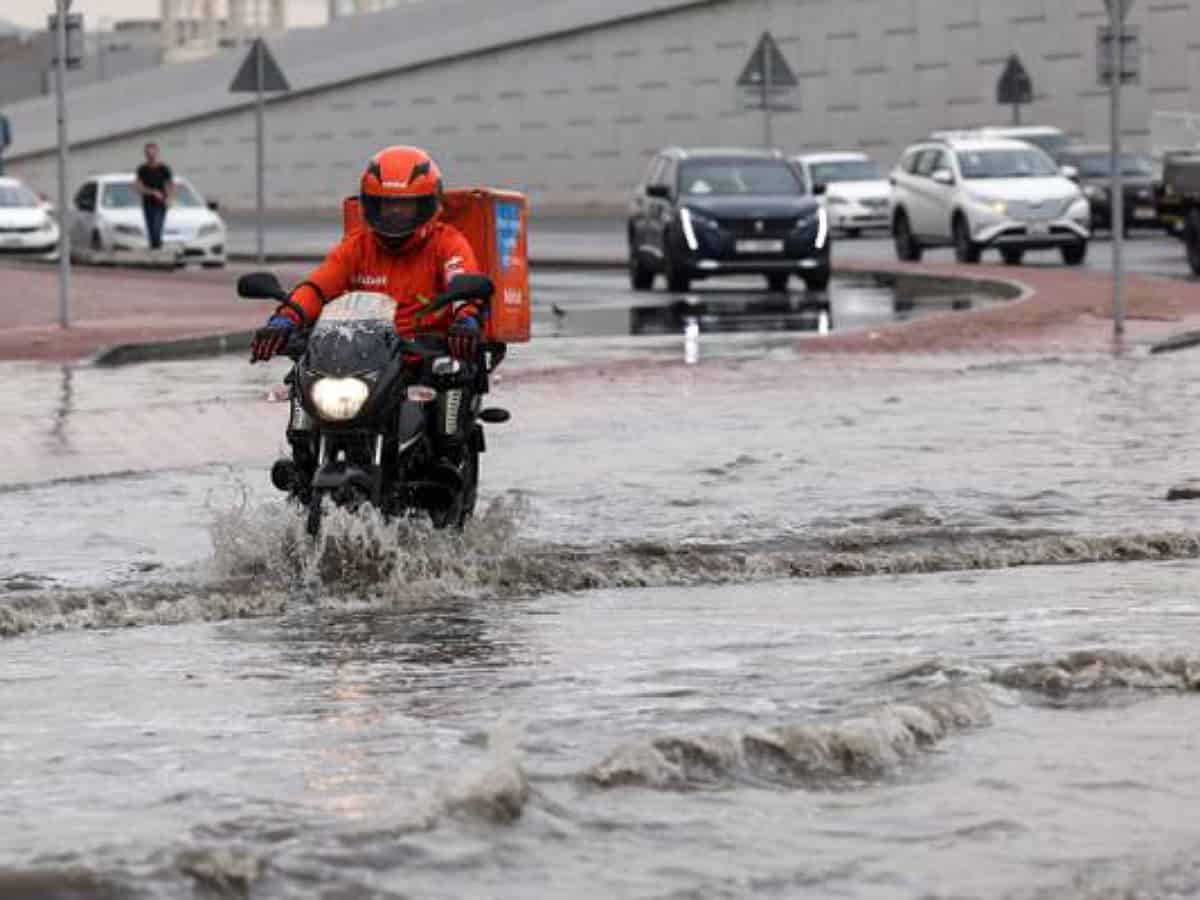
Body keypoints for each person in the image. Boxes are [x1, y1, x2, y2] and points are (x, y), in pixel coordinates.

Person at [249, 145, 482, 365]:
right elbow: (318, 287)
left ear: (428, 204)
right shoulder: (357, 245)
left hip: (427, 358)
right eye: (387, 206)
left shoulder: (448, 243)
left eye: (406, 206)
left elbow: (462, 286)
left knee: (454, 377)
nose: (395, 214)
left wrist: (466, 319)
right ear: (371, 205)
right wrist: (285, 319)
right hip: (366, 359)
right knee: (302, 379)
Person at [134, 142, 173, 250]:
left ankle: (158, 249)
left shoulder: (164, 169)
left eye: (152, 152)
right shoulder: (142, 170)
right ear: (145, 154)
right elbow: (138, 187)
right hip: (148, 204)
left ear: (157, 153)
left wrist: (169, 198)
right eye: (148, 153)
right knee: (151, 230)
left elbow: (169, 185)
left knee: (157, 228)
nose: (150, 155)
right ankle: (154, 252)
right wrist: (152, 192)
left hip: (161, 204)